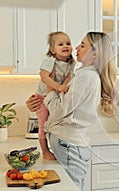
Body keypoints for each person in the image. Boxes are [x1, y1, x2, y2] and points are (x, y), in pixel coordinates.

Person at [26, 32, 119, 191]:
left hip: (69, 145)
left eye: (82, 45)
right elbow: (61, 103)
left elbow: (58, 110)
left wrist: (50, 85)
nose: (76, 47)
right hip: (70, 145)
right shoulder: (81, 75)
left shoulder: (85, 77)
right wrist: (36, 103)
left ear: (94, 53)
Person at [35, 31, 76, 160]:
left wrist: (62, 87)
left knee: (53, 123)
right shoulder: (50, 61)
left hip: (55, 97)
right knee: (43, 125)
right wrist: (58, 87)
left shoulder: (71, 63)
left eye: (68, 43)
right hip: (42, 97)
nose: (65, 46)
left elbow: (69, 76)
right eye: (61, 44)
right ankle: (45, 151)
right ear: (52, 50)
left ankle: (55, 147)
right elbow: (44, 77)